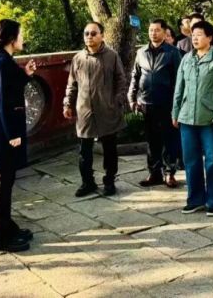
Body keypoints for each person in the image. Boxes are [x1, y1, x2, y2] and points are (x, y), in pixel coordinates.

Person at [0, 19, 36, 252]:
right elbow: (3, 101)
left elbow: (10, 88)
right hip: (4, 133)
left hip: (3, 130)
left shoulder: (2, 60)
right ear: (12, 38)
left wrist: (26, 75)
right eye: (21, 35)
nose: (23, 39)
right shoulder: (1, 61)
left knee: (7, 182)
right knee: (2, 184)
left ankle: (7, 228)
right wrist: (13, 134)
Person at [172, 20, 213, 216]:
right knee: (191, 160)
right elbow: (179, 87)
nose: (195, 38)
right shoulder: (187, 59)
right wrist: (175, 112)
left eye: (199, 35)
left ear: (210, 37)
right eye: (193, 35)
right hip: (187, 117)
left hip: (210, 118)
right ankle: (195, 199)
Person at [64, 21, 127, 197]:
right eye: (86, 33)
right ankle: (87, 182)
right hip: (85, 110)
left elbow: (121, 80)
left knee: (109, 149)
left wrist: (117, 101)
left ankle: (109, 181)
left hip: (107, 110)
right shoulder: (78, 58)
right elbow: (72, 84)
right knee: (84, 150)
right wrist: (67, 104)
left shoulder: (112, 56)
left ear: (102, 35)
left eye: (93, 33)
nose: (89, 37)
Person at [128, 19, 182, 188]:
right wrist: (132, 97)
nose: (153, 33)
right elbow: (135, 76)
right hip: (146, 102)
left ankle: (169, 172)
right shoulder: (141, 52)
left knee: (169, 139)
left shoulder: (173, 52)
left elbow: (179, 79)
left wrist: (178, 103)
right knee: (152, 141)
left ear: (164, 33)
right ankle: (154, 172)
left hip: (167, 102)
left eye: (157, 30)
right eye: (151, 30)